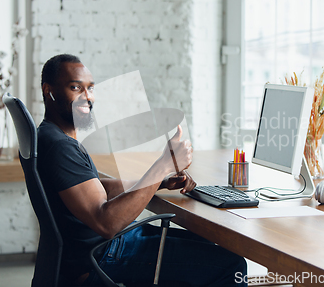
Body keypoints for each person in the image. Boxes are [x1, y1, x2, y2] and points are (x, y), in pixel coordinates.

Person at [37, 54, 247, 286]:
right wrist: (163, 164)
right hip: (102, 254)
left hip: (99, 248)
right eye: (76, 88)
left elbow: (94, 187)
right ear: (49, 90)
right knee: (232, 265)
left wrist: (159, 181)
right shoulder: (60, 146)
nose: (87, 97)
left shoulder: (52, 136)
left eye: (91, 88)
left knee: (207, 247)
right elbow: (107, 224)